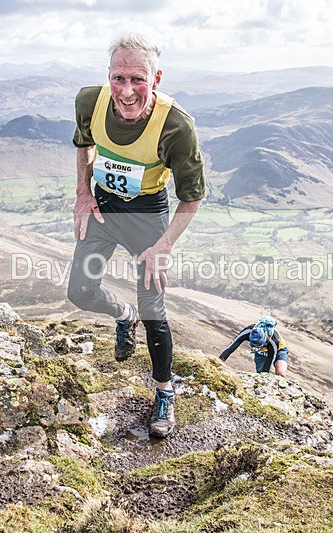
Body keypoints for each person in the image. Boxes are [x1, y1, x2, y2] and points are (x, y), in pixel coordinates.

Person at [67, 32, 205, 439]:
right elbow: (83, 144)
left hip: (147, 216)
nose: (127, 91)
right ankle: (120, 315)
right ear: (108, 77)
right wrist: (82, 192)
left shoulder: (177, 126)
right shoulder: (89, 102)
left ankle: (165, 392)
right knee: (79, 291)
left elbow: (193, 197)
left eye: (138, 79)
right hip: (103, 209)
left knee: (153, 311)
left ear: (156, 78)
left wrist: (164, 246)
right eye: (118, 78)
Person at [219, 315, 289, 376]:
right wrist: (219, 362)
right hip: (261, 352)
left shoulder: (273, 341)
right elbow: (231, 347)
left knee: (281, 373)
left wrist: (265, 378)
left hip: (279, 349)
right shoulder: (248, 331)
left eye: (259, 345)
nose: (256, 347)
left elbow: (270, 359)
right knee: (260, 372)